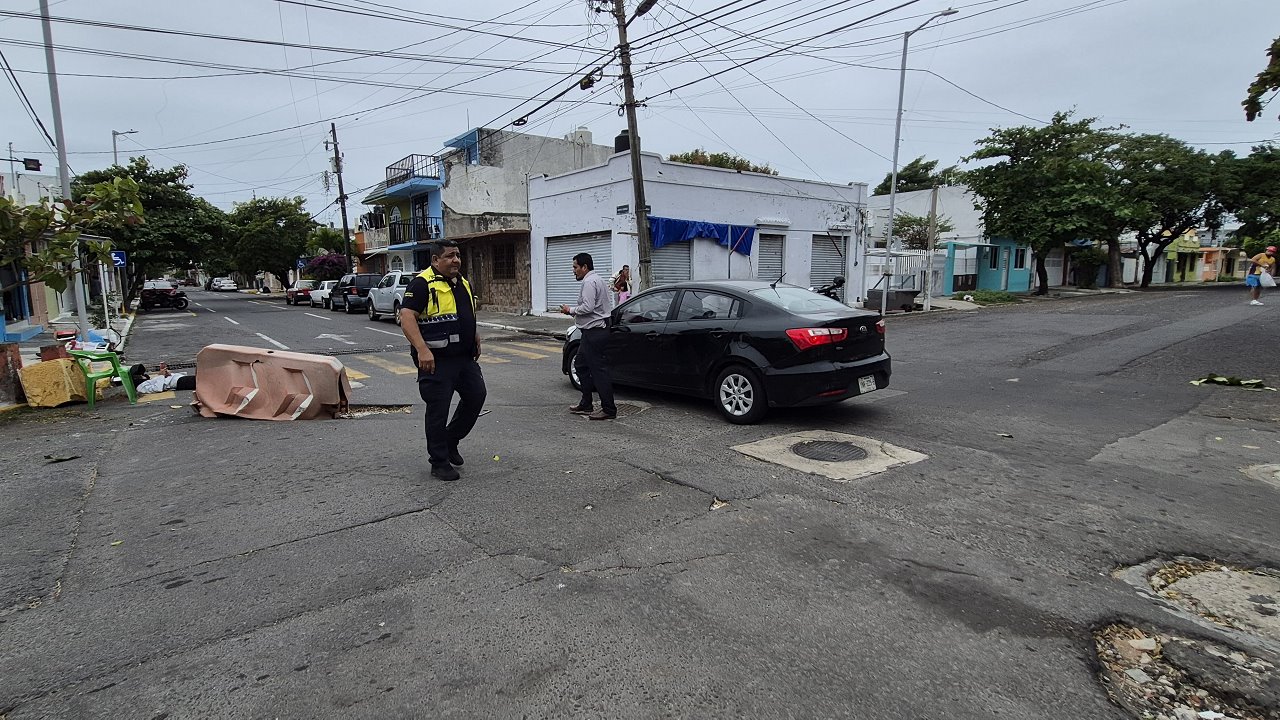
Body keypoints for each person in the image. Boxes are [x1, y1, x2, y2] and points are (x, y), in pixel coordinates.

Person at [399, 240, 487, 482]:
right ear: (436, 260)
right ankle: (438, 462)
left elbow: (466, 312)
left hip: (464, 357)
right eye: (449, 256)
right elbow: (406, 317)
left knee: (476, 396)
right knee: (438, 411)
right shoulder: (421, 284)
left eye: (458, 255)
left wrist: (475, 335)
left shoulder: (463, 283)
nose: (456, 260)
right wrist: (422, 350)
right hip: (436, 360)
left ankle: (450, 441)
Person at [561, 252, 616, 421]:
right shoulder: (597, 280)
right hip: (591, 331)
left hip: (595, 332)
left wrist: (570, 310)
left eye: (575, 267)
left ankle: (608, 409)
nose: (573, 270)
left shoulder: (589, 282)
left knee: (598, 370)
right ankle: (586, 402)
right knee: (581, 365)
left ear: (585, 267)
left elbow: (588, 307)